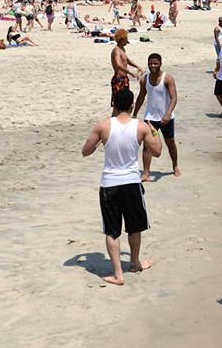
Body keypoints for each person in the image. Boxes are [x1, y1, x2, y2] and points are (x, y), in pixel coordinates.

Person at [82, 88, 161, 286]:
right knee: (134, 228)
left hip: (110, 184)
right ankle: (134, 263)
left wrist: (101, 139)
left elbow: (85, 151)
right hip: (132, 184)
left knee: (112, 231)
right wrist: (154, 131)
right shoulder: (142, 127)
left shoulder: (103, 126)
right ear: (133, 105)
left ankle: (118, 274)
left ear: (114, 104)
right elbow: (157, 151)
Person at [132, 53, 180, 178]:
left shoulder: (167, 78)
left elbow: (174, 97)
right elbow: (141, 97)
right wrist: (135, 113)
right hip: (150, 117)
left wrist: (168, 114)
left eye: (155, 63)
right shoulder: (144, 79)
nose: (153, 65)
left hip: (166, 117)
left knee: (170, 143)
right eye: (150, 63)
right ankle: (146, 172)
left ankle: (175, 166)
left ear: (160, 64)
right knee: (147, 145)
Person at [110, 29, 143, 111]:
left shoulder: (122, 49)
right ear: (122, 39)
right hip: (119, 80)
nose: (127, 41)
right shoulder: (116, 50)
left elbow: (127, 60)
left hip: (124, 79)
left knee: (125, 104)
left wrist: (137, 66)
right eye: (126, 39)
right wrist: (131, 73)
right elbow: (118, 64)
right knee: (118, 105)